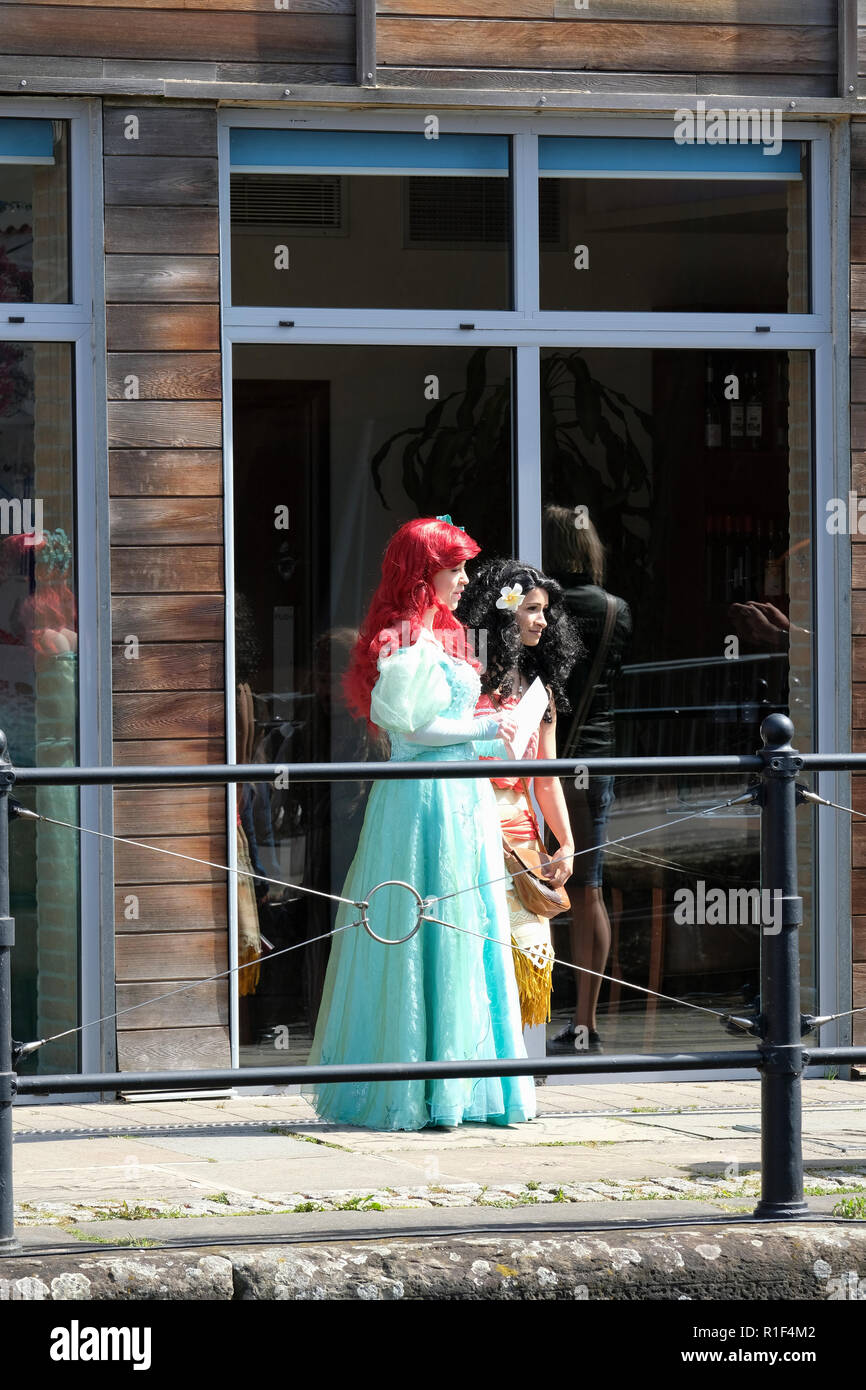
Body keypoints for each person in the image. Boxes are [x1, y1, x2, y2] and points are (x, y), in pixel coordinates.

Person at [305, 517, 537, 1131]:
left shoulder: (442, 634)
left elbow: (448, 731)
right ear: (422, 572)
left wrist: (499, 735)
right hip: (422, 805)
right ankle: (418, 1089)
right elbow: (414, 733)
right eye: (453, 568)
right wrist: (491, 728)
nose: (464, 580)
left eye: (463, 567)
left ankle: (462, 1089)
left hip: (456, 800)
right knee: (423, 925)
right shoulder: (405, 639)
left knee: (465, 925)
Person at [457, 559, 580, 1027]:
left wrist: (564, 842)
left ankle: (510, 1074)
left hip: (520, 832)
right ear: (502, 613)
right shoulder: (463, 680)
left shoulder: (539, 689)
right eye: (531, 609)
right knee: (473, 949)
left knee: (524, 953)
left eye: (545, 610)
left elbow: (546, 776)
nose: (542, 621)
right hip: (466, 821)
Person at [543, 505, 632, 1055]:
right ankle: (584, 1023)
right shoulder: (617, 611)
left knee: (529, 886)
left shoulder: (541, 609)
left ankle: (524, 1015)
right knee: (587, 887)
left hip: (540, 760)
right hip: (595, 760)